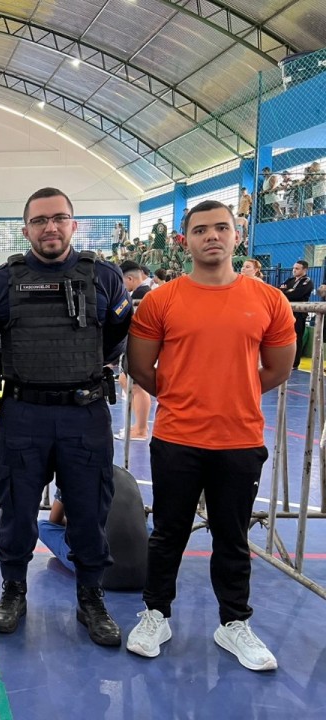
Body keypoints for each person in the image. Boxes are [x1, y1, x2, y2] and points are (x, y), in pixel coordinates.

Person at [124, 200, 294, 671]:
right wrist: (182, 395)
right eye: (201, 230)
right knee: (168, 534)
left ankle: (233, 623)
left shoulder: (269, 300)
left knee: (232, 537)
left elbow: (279, 367)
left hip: (239, 441)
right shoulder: (162, 299)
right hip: (178, 438)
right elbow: (139, 366)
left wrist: (231, 391)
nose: (212, 236)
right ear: (186, 241)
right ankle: (156, 614)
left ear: (237, 235)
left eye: (222, 227)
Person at [0, 187, 132, 647]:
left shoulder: (105, 277)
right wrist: (16, 369)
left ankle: (91, 598)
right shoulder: (1, 282)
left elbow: (119, 331)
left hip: (85, 414)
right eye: (40, 220)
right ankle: (13, 591)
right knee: (16, 509)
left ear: (73, 224)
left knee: (87, 510)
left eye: (59, 218)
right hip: (24, 414)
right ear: (26, 230)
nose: (50, 227)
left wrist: (88, 368)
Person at [38, 465, 148, 591]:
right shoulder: (127, 476)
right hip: (144, 574)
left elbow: (55, 519)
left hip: (102, 575)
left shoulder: (72, 474)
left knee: (43, 526)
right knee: (145, 527)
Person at [117, 261, 152, 441]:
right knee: (126, 380)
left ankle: (141, 428)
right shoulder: (142, 293)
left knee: (136, 386)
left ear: (129, 278)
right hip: (136, 345)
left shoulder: (141, 294)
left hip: (139, 346)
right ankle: (139, 425)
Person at [280, 260, 313, 369]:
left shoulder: (307, 281)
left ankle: (294, 363)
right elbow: (279, 291)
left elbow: (298, 294)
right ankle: (284, 359)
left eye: (297, 268)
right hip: (286, 312)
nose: (294, 270)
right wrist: (288, 291)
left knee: (296, 337)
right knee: (284, 336)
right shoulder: (290, 280)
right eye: (294, 268)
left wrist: (287, 291)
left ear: (304, 270)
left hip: (299, 314)